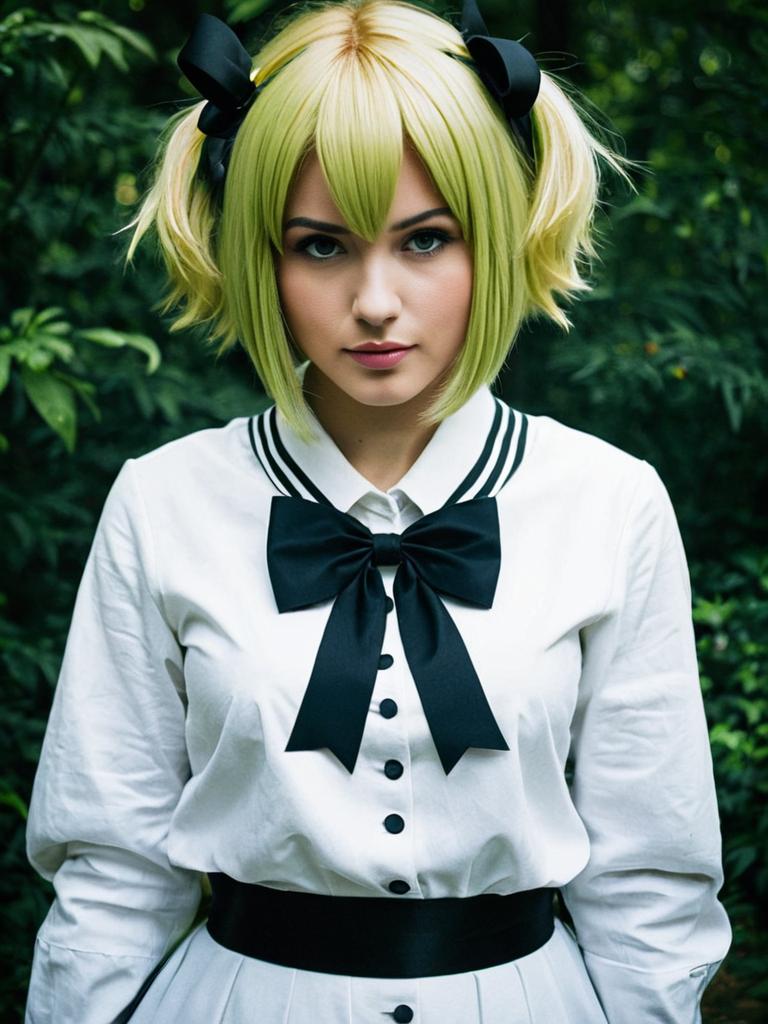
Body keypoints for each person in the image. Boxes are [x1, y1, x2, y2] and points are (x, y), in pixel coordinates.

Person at [24, 2, 732, 1022]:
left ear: (493, 238)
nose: (375, 300)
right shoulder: (162, 501)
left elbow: (650, 887)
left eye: (426, 240)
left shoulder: (611, 503)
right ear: (260, 256)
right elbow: (110, 875)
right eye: (320, 246)